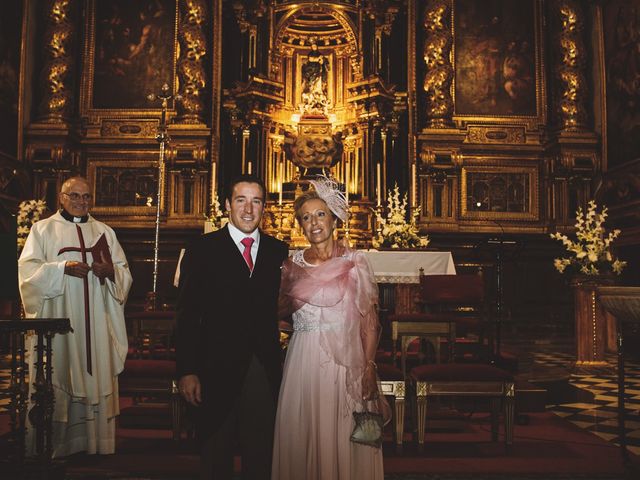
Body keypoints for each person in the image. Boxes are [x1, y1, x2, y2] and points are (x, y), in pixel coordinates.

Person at [272, 176, 389, 479]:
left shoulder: (355, 261)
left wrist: (369, 365)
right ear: (300, 225)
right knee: (304, 427)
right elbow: (279, 313)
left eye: (320, 214)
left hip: (346, 364)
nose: (313, 223)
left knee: (343, 429)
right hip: (303, 359)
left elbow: (369, 320)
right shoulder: (290, 265)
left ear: (334, 219)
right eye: (306, 217)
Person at [176, 174, 289, 480]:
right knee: (216, 454)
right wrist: (187, 370)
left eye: (256, 201)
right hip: (214, 369)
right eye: (241, 200)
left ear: (265, 207)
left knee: (261, 454)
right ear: (227, 205)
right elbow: (187, 315)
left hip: (261, 368)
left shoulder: (279, 251)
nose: (249, 209)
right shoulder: (201, 249)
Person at [18, 176, 132, 457]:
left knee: (95, 370)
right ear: (62, 197)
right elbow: (28, 274)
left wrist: (112, 273)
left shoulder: (104, 231)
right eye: (75, 196)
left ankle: (95, 443)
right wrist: (61, 268)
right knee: (60, 370)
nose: (82, 201)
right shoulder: (42, 230)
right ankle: (56, 445)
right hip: (60, 322)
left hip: (96, 321)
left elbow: (124, 272)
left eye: (87, 196)